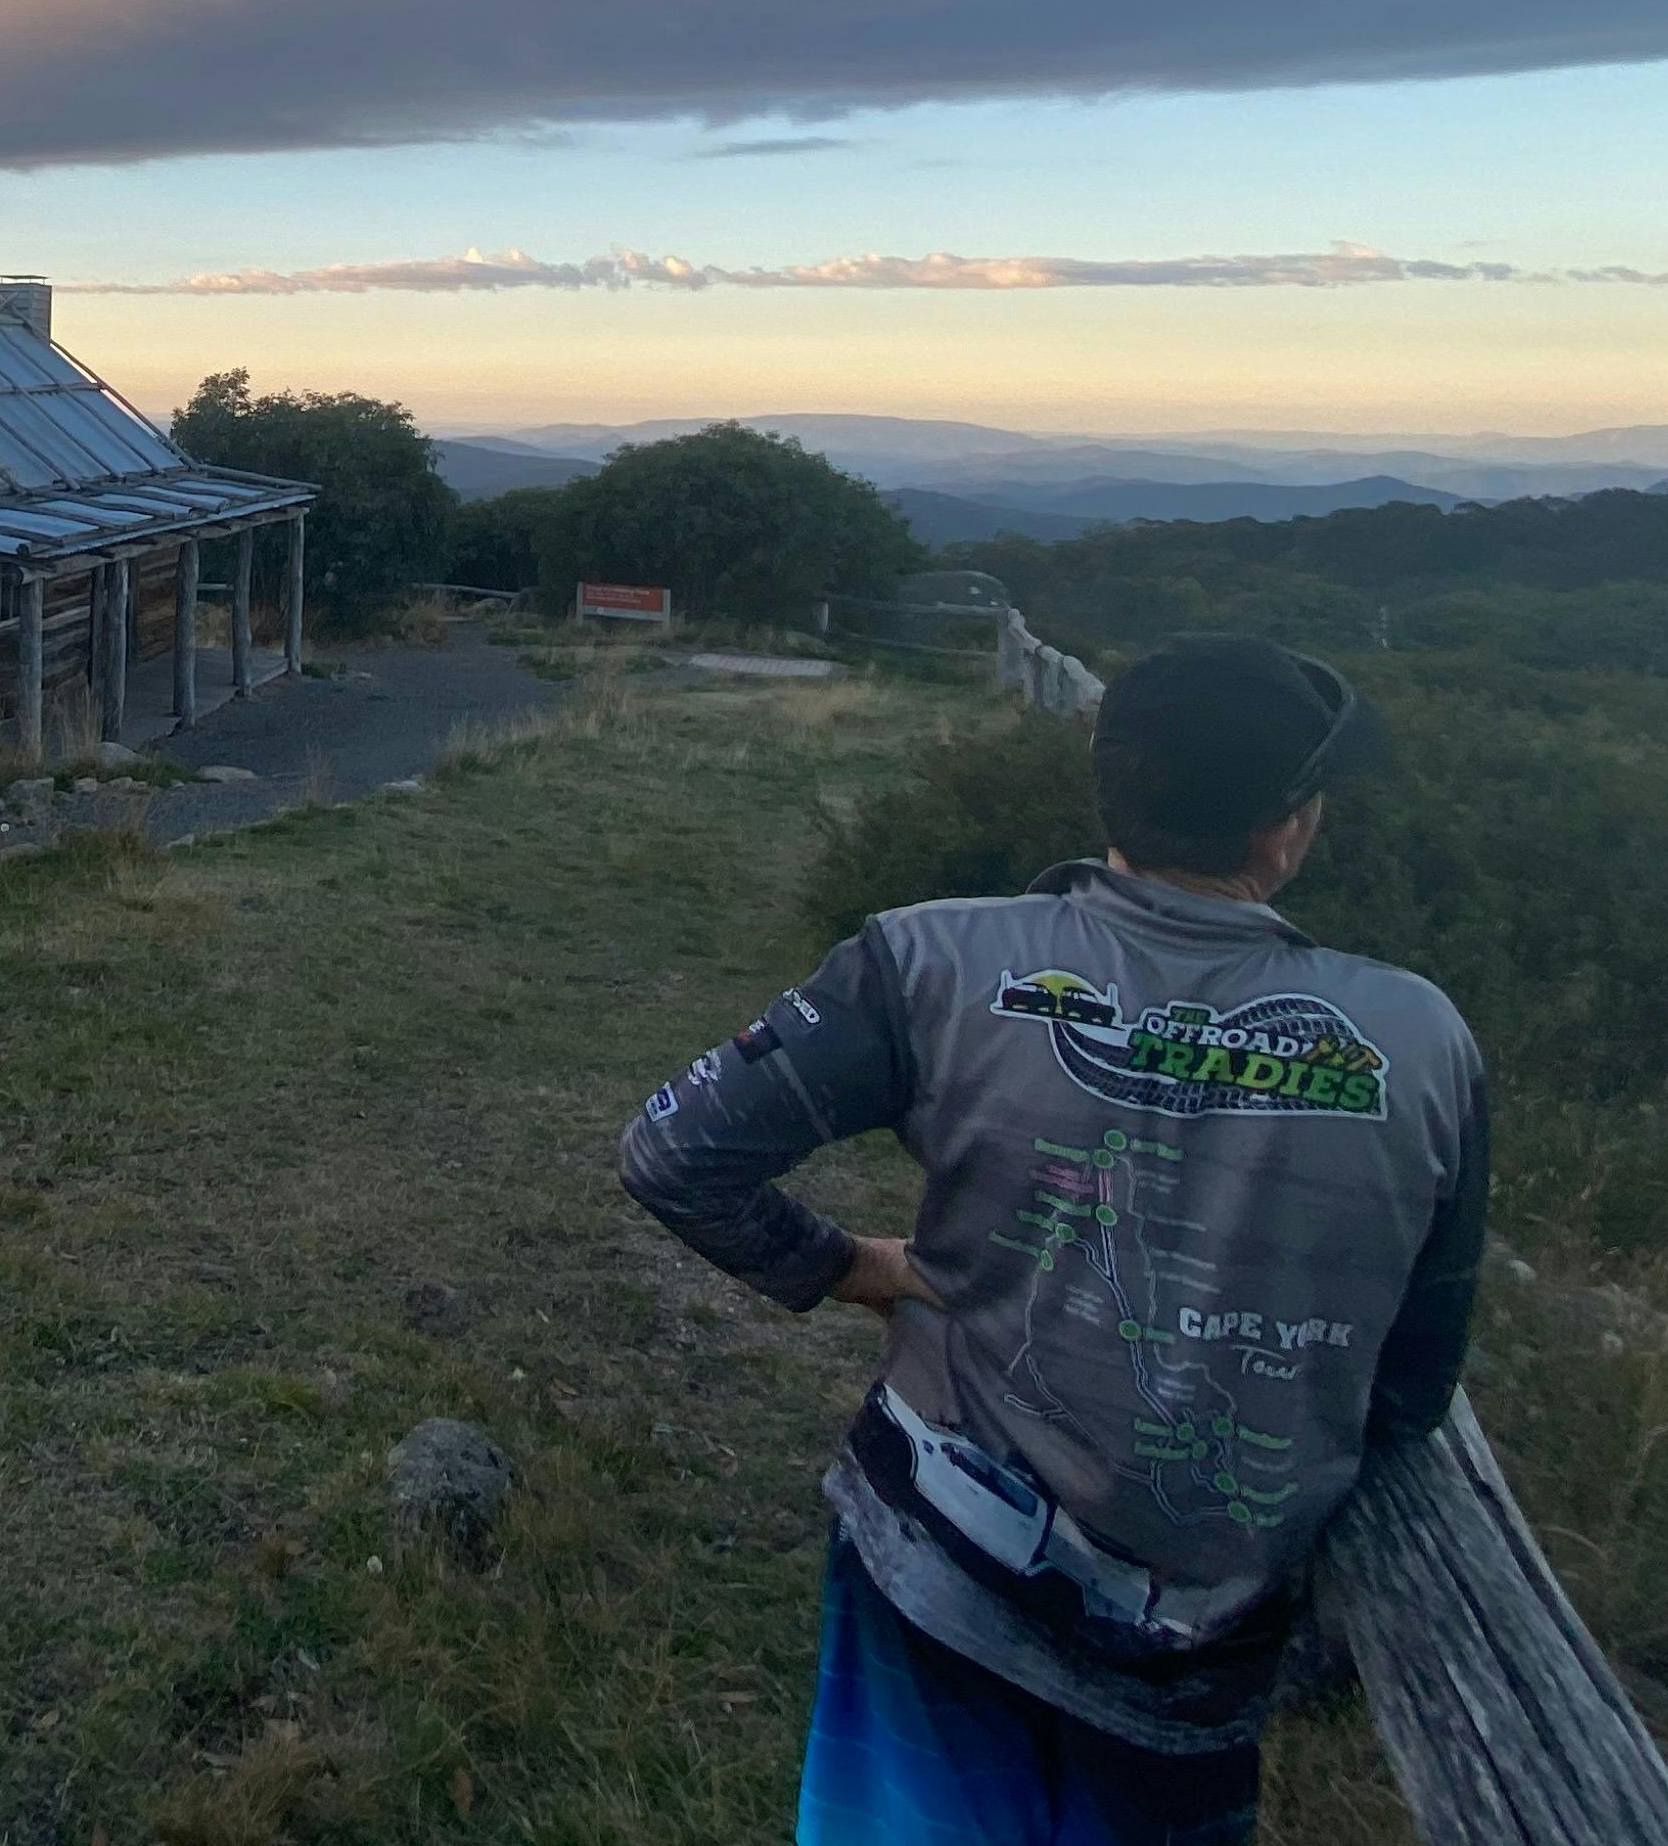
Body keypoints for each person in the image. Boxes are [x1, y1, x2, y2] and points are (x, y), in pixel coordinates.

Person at [619, 633, 1488, 1845]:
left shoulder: (928, 958)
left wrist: (852, 1269)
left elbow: (673, 1152)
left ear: (1109, 782)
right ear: (1281, 832)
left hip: (939, 1567)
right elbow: (1410, 1389)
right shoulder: (1424, 1042)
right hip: (1200, 1657)